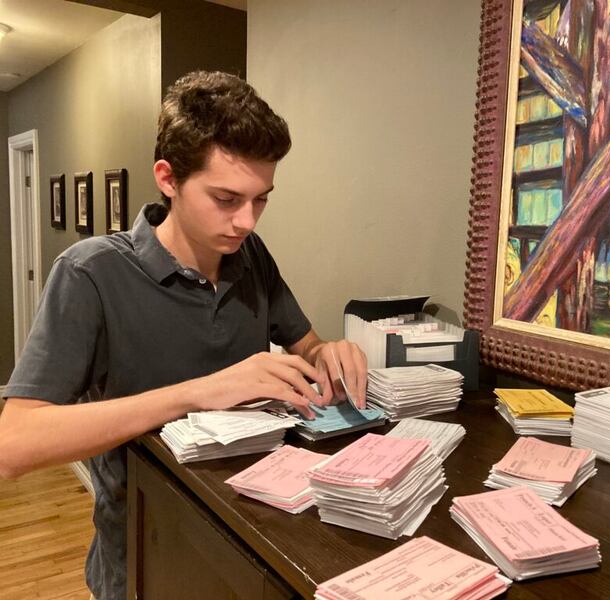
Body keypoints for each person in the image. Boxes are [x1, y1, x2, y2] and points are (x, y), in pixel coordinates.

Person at [0, 71, 367, 600]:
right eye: (225, 198)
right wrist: (197, 393)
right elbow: (14, 445)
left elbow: (305, 344)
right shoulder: (90, 273)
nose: (247, 222)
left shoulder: (251, 258)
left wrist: (327, 350)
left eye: (261, 199)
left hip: (253, 535)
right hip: (145, 552)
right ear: (168, 179)